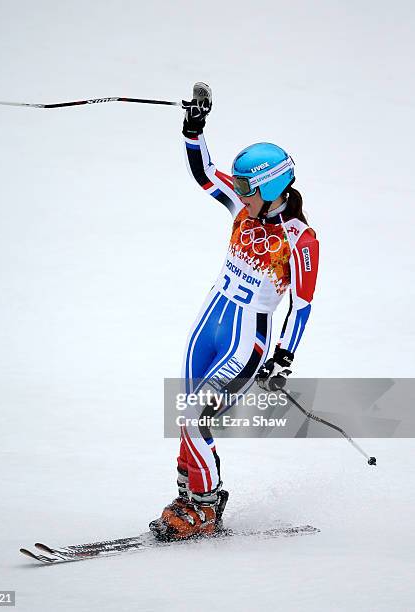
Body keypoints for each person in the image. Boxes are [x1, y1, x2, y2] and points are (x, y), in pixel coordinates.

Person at [150, 83, 319, 541]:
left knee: (194, 417)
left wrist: (283, 357)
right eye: (240, 188)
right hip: (207, 327)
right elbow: (206, 175)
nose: (238, 194)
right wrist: (194, 127)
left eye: (247, 188)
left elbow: (301, 305)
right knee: (185, 414)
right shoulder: (244, 210)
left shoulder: (299, 239)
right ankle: (188, 495)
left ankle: (206, 507)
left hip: (246, 342)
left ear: (271, 186)